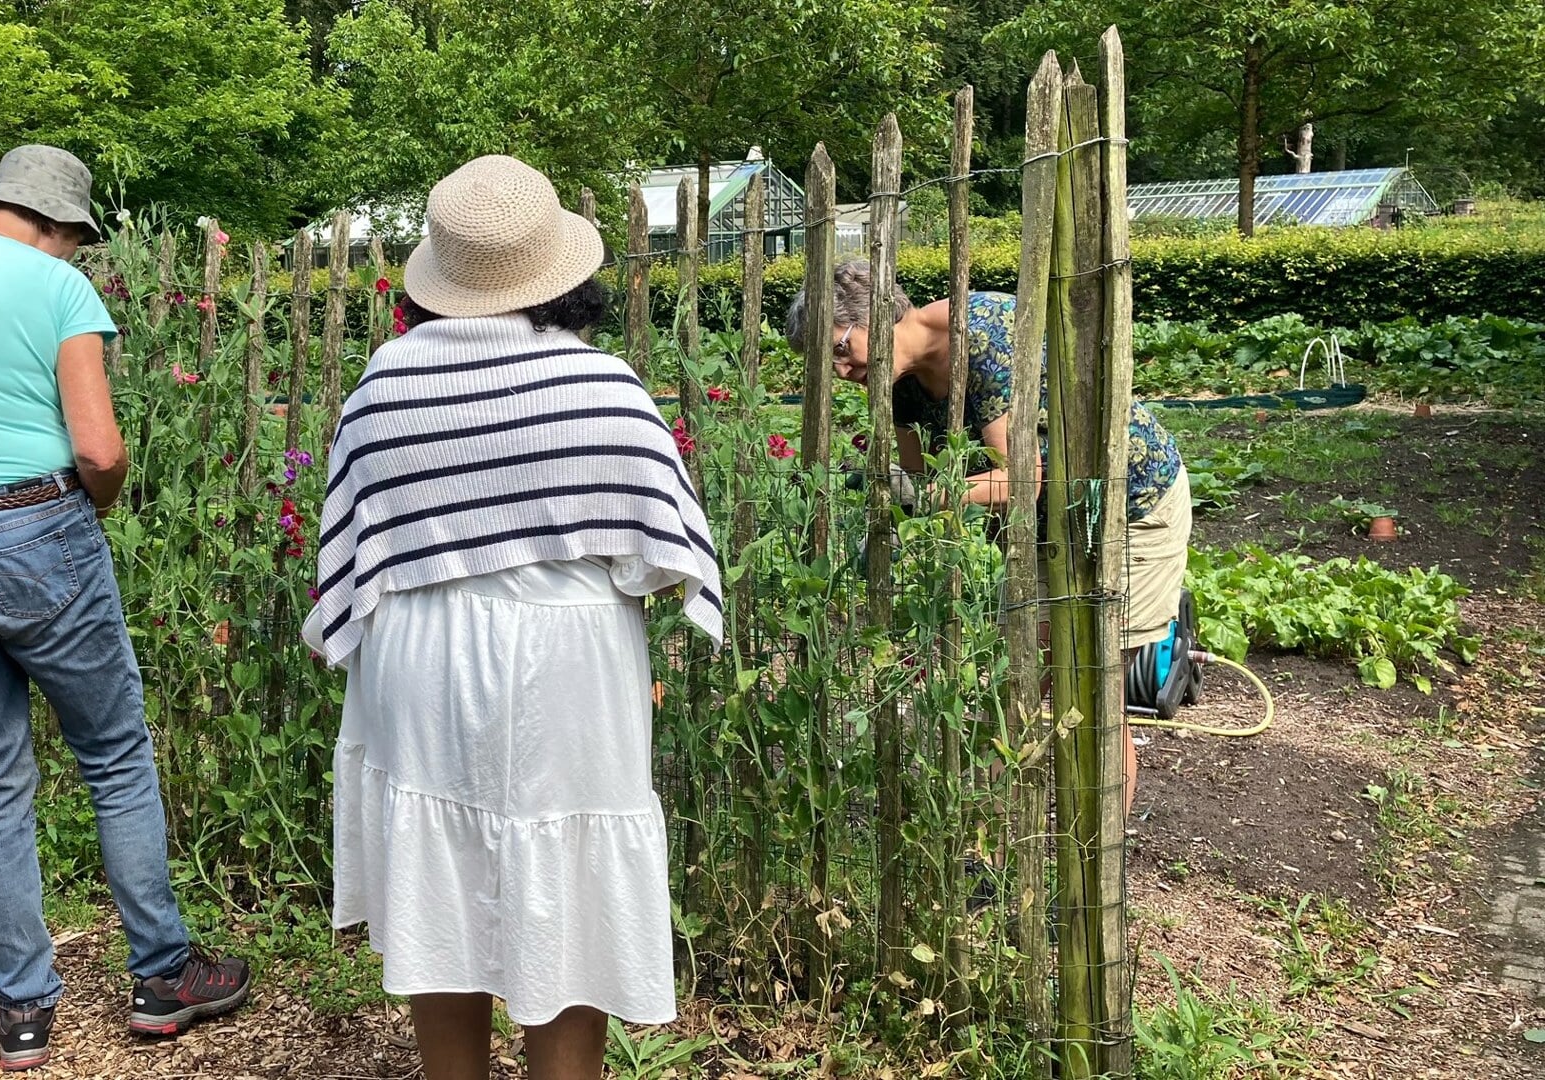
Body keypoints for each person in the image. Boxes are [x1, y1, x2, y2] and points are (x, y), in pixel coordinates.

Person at [305, 154, 724, 1080]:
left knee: (439, 888)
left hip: (420, 650)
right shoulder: (601, 386)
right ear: (561, 272)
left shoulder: (385, 384)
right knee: (570, 898)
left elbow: (358, 548)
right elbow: (654, 555)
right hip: (571, 652)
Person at [0, 145, 249, 1072]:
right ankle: (161, 979)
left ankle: (22, 1008)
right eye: (76, 238)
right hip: (33, 530)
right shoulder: (57, 290)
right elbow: (99, 450)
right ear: (57, 224)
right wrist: (84, 513)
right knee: (112, 752)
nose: (74, 253)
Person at [785, 260, 1190, 810]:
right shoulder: (897, 382)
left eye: (840, 348)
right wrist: (903, 522)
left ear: (878, 318)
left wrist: (931, 496)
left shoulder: (984, 335)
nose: (838, 370)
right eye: (824, 361)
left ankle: (1098, 870)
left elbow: (1020, 475)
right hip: (1046, 525)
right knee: (1014, 690)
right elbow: (925, 479)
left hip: (1126, 506)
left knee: (1096, 689)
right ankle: (992, 863)